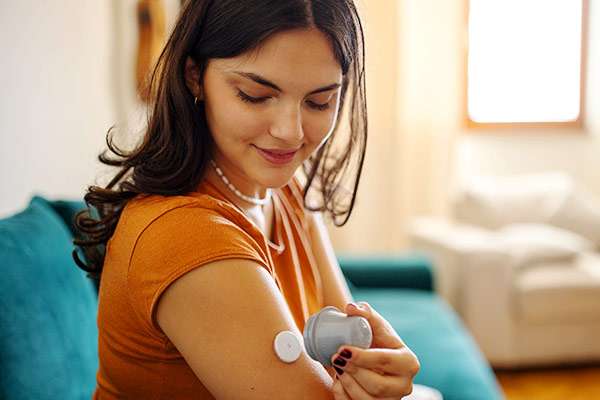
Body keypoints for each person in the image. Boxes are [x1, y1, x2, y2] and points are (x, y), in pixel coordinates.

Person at [73, 0, 420, 398]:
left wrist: (375, 370)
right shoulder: (186, 236)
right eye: (255, 95)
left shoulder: (285, 188)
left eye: (319, 101)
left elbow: (345, 345)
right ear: (194, 77)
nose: (290, 132)